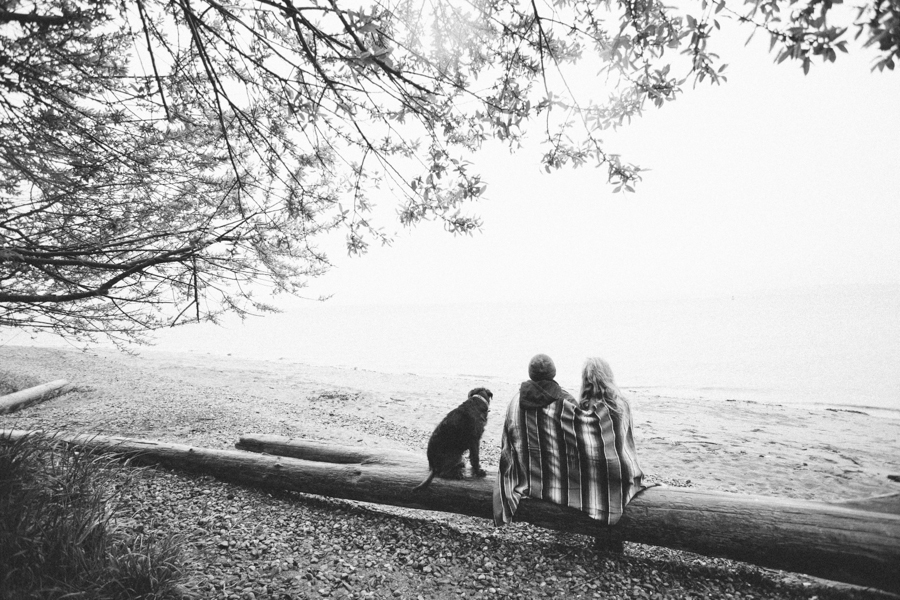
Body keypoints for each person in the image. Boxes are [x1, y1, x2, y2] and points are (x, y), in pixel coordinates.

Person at [493, 355, 646, 538]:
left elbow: (508, 443)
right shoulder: (618, 405)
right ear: (554, 373)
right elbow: (612, 445)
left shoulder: (515, 401)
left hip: (534, 477)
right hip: (614, 477)